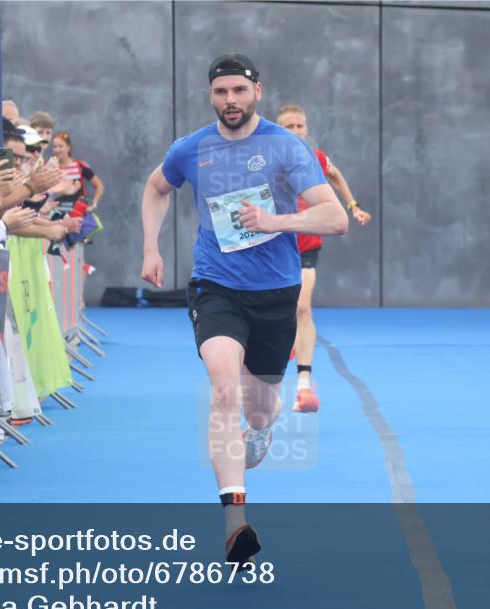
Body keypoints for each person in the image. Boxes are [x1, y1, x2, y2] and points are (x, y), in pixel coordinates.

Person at [140, 54, 347, 563]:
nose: (230, 100)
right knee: (224, 388)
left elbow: (335, 217)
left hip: (275, 291)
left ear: (257, 91)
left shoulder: (285, 145)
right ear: (211, 96)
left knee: (259, 407)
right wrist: (150, 247)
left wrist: (275, 222)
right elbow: (156, 187)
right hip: (216, 286)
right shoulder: (191, 148)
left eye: (238, 90)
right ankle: (236, 523)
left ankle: (261, 426)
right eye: (221, 92)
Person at [275, 104, 372, 412]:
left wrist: (353, 206)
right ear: (278, 130)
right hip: (274, 247)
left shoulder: (315, 158)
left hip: (307, 246)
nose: (295, 132)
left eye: (299, 126)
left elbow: (335, 174)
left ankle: (304, 386)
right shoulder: (267, 159)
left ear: (306, 129)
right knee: (277, 315)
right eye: (288, 127)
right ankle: (272, 376)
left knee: (302, 308)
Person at [50, 130, 104, 213]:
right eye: (54, 146)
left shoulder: (80, 166)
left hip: (77, 214)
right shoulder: (50, 167)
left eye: (60, 146)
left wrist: (93, 204)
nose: (57, 149)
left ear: (69, 147)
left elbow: (99, 186)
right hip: (55, 214)